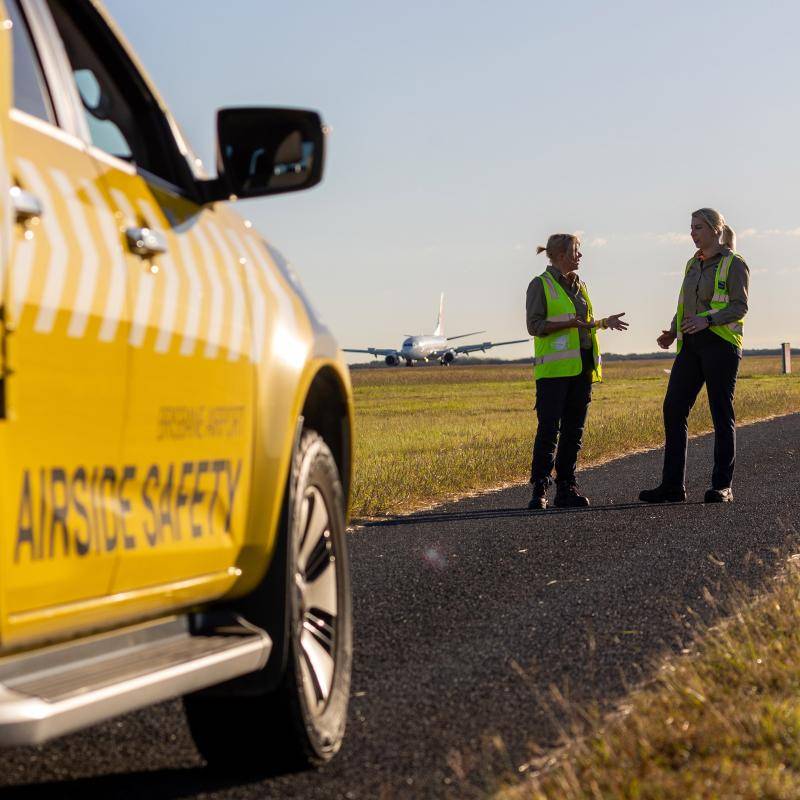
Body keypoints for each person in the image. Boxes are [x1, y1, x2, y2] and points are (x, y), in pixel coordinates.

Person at [640, 208, 749, 504]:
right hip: (690, 344)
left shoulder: (734, 263)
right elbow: (685, 302)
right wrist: (673, 330)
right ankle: (672, 486)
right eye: (691, 227)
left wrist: (708, 320)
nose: (692, 232)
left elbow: (739, 307)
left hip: (721, 344)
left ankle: (722, 486)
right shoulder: (692, 263)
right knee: (673, 408)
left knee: (720, 412)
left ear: (716, 230)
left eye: (698, 227)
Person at [526, 233, 628, 510]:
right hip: (554, 371)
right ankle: (540, 488)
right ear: (560, 254)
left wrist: (605, 322)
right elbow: (534, 326)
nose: (580, 256)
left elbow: (583, 323)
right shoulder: (540, 285)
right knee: (549, 429)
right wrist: (566, 324)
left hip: (582, 367)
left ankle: (567, 487)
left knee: (574, 430)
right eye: (576, 251)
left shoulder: (580, 285)